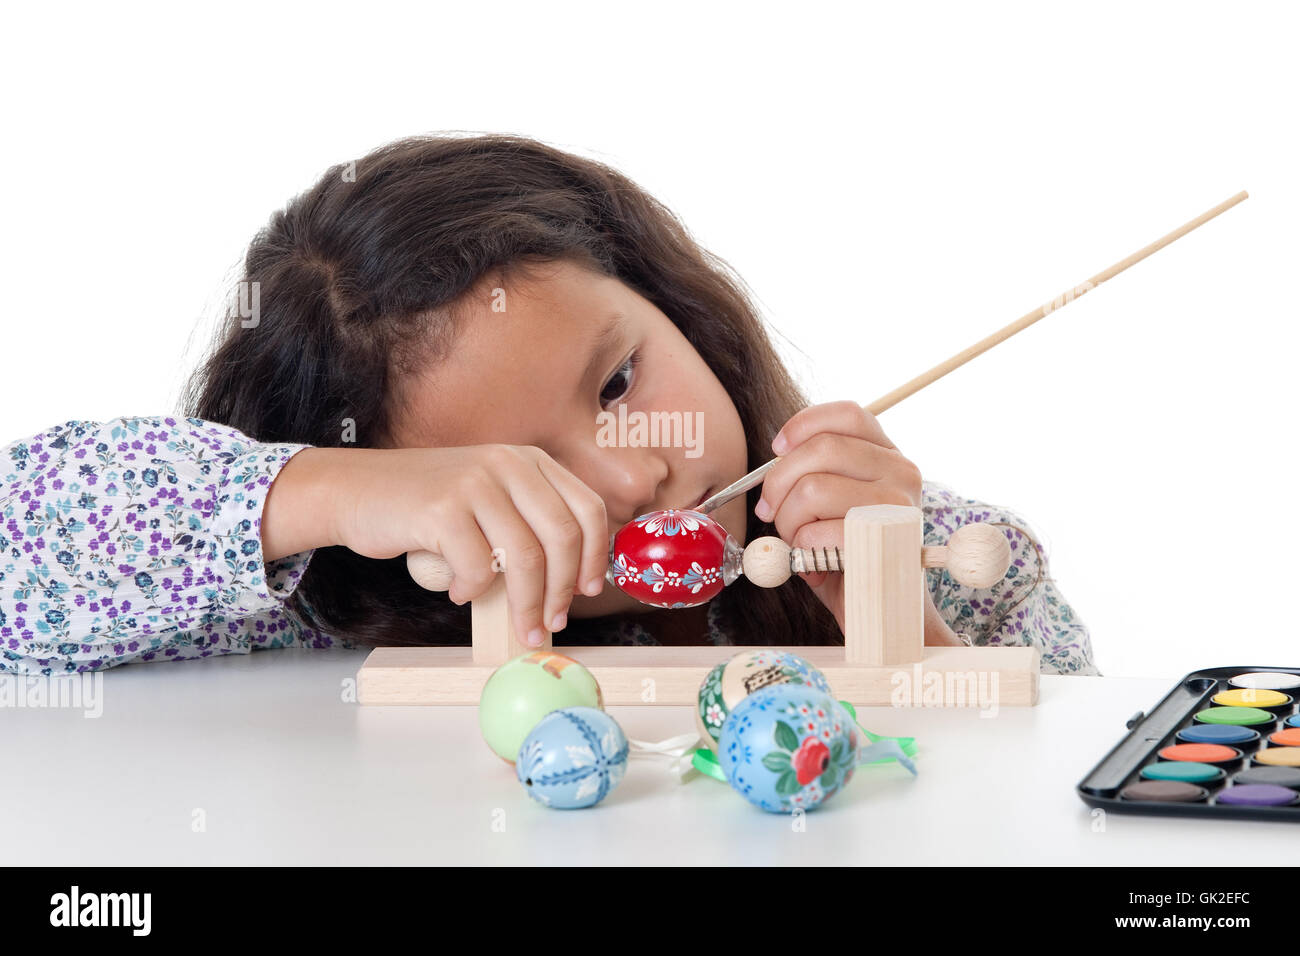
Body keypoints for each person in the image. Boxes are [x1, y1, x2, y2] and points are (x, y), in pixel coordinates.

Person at [0, 134, 1099, 678]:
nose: (632, 475)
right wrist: (325, 491)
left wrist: (901, 626)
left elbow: (1084, 804)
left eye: (620, 383)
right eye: (509, 466)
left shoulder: (943, 548)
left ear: (672, 307)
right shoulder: (318, 609)